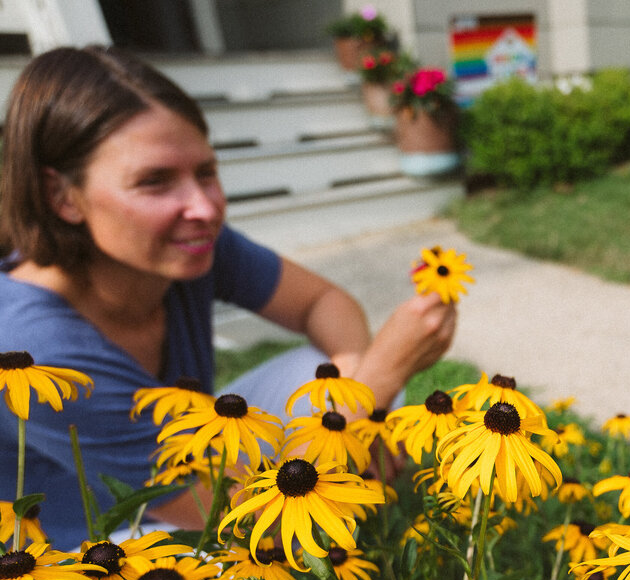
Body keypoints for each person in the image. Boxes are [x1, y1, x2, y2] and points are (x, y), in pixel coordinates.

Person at [0, 46, 456, 543]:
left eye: (206, 172)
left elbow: (322, 302)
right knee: (228, 578)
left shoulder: (183, 247)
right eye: (154, 181)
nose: (203, 207)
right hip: (86, 552)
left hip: (187, 470)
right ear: (61, 196)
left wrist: (354, 404)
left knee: (327, 373)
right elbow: (235, 514)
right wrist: (378, 383)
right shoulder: (35, 349)